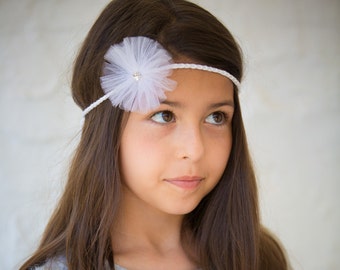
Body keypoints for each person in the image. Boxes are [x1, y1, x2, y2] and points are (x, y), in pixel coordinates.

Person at [20, 0, 289, 269]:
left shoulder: (259, 256)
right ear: (106, 129)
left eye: (215, 117)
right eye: (164, 116)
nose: (195, 150)